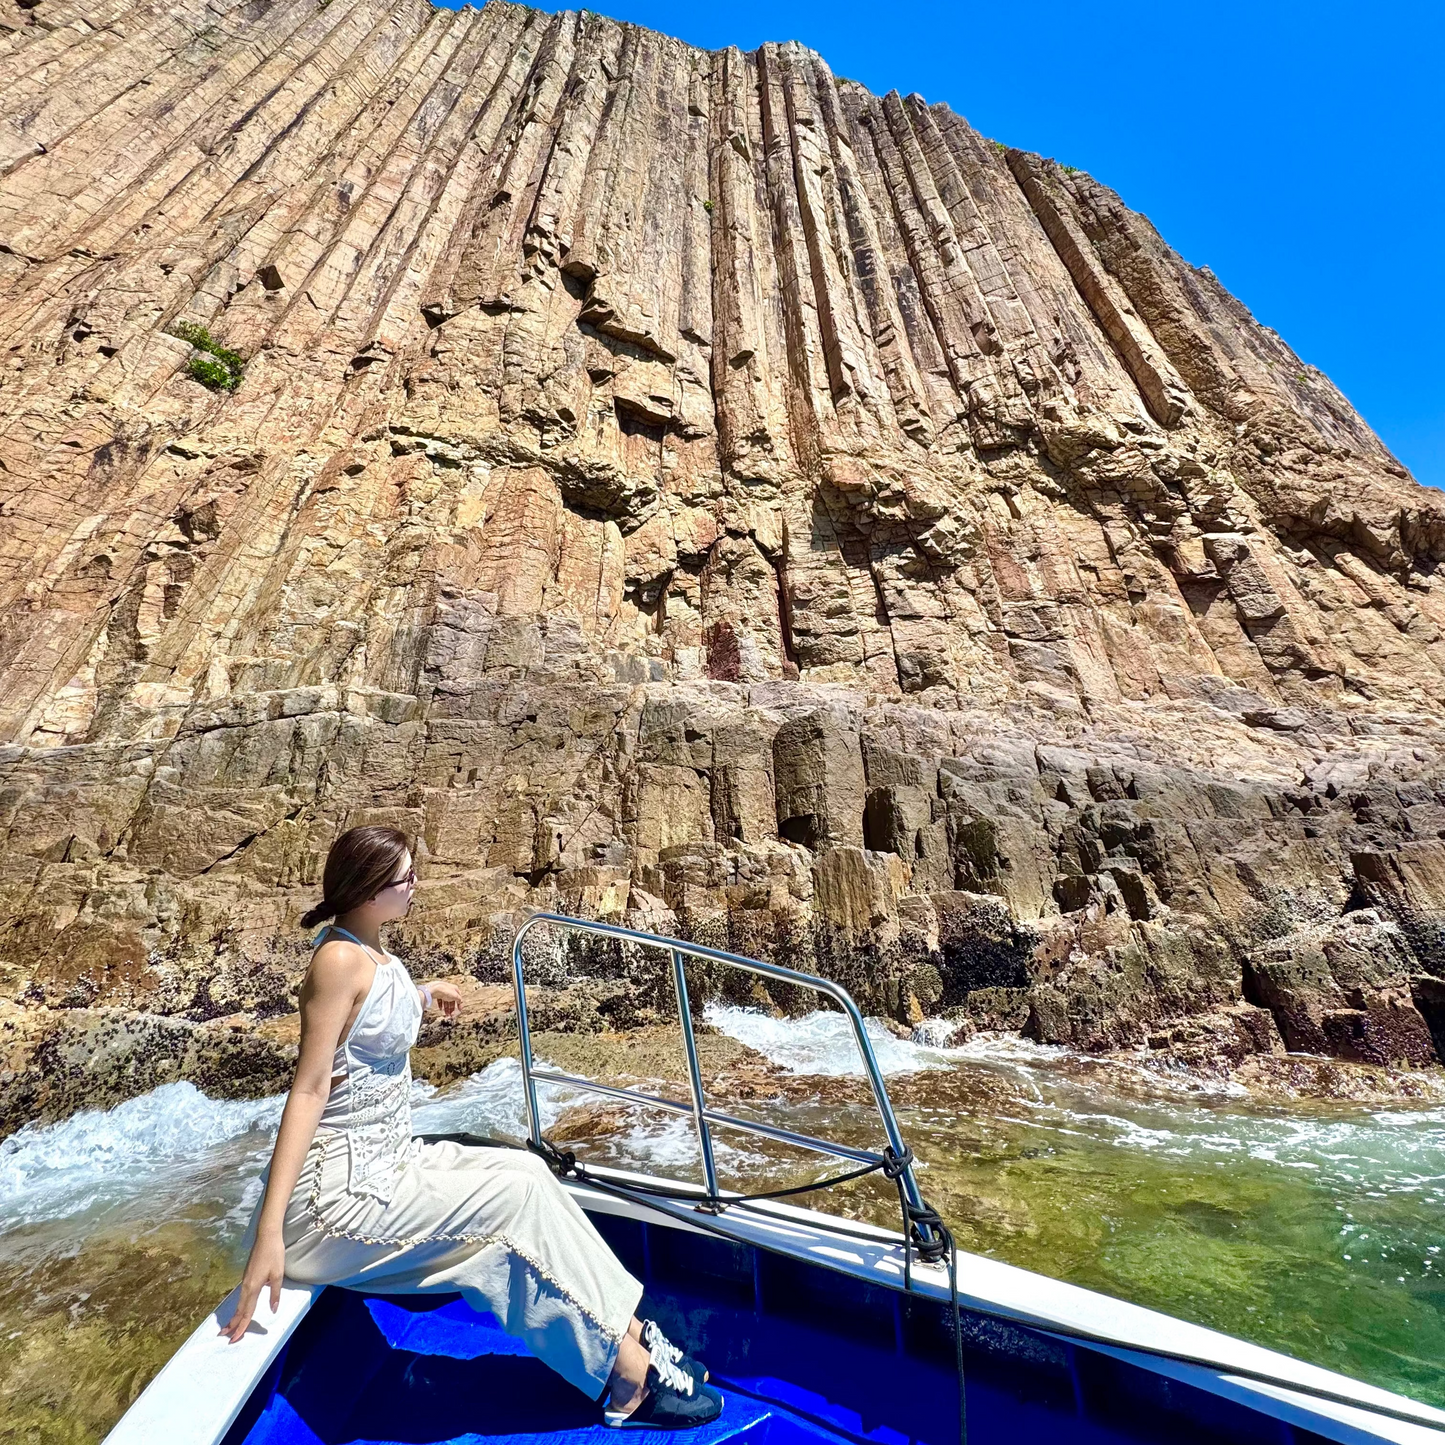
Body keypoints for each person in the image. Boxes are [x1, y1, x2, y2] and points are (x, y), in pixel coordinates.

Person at [223, 825, 721, 1429]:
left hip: (389, 1163)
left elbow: (379, 1000)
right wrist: (269, 1235)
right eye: (406, 877)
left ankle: (634, 1332)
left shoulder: (373, 952)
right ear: (369, 888)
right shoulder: (336, 960)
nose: (416, 886)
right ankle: (627, 1381)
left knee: (527, 1173)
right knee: (509, 1202)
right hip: (333, 1200)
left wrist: (426, 995)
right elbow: (307, 1091)